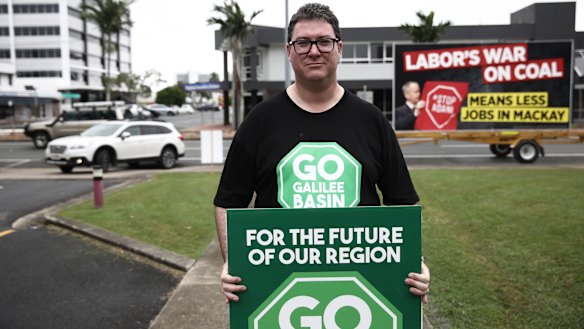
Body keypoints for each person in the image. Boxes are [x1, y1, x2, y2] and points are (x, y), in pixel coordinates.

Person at [214, 3, 430, 305]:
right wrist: (232, 263)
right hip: (279, 291)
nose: (313, 51)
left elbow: (403, 202)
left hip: (363, 288)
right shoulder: (259, 122)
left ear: (339, 48)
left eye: (324, 41)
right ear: (290, 51)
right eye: (302, 42)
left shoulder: (371, 120)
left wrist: (414, 261)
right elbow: (228, 202)